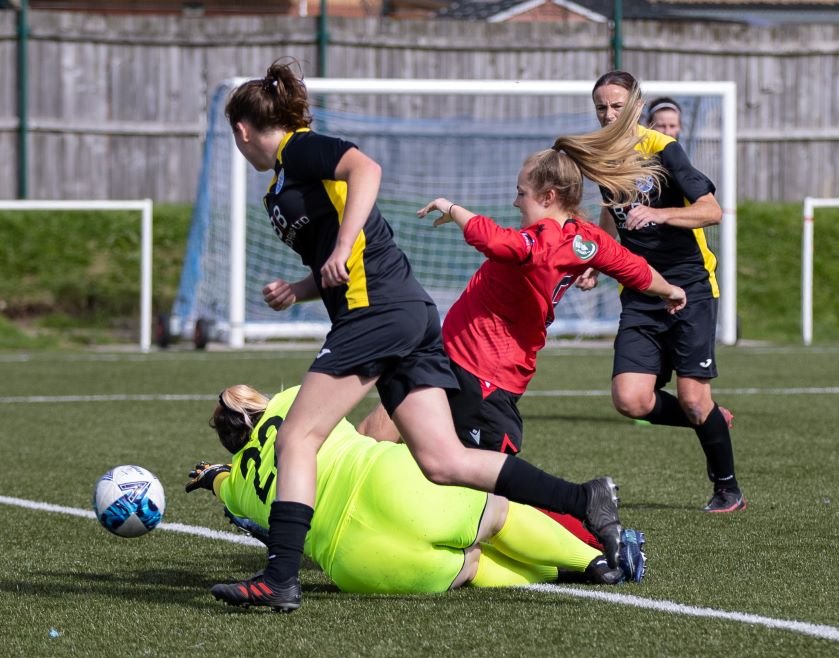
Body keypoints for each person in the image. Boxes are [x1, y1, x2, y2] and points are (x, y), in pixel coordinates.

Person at [212, 56, 632, 612]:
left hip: (378, 313)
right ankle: (585, 498)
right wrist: (299, 287)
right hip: (402, 312)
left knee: (296, 438)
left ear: (242, 130)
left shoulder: (299, 148)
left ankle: (279, 579)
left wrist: (339, 249)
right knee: (442, 461)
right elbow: (347, 252)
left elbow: (367, 170)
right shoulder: (284, 181)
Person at [356, 88, 687, 550]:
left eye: (521, 193)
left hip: (486, 378)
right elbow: (636, 270)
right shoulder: (586, 238)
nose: (515, 202)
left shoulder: (542, 242)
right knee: (376, 431)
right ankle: (317, 505)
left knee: (498, 492)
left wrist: (451, 208)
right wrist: (670, 289)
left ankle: (593, 541)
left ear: (548, 195)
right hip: (454, 360)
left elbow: (497, 242)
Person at [187, 385, 646, 606]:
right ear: (256, 404)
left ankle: (563, 573)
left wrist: (211, 476)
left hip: (358, 564)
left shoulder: (239, 492)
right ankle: (596, 563)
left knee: (472, 564)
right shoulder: (288, 402)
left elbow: (221, 482)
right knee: (497, 514)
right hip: (389, 485)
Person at [577, 70, 745, 513]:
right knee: (630, 400)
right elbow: (613, 214)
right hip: (640, 290)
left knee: (692, 397)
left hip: (689, 287)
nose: (608, 114)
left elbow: (711, 211)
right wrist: (596, 261)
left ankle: (728, 487)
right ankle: (709, 418)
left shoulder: (663, 149)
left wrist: (662, 215)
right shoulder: (603, 157)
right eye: (601, 107)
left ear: (635, 104)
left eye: (616, 106)